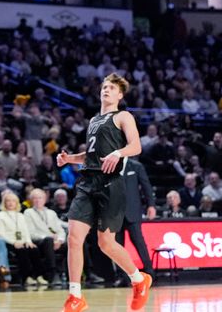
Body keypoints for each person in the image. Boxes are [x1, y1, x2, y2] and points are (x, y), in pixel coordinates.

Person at [57, 73, 151, 312]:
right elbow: (89, 155)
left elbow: (136, 146)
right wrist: (70, 159)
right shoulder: (93, 120)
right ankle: (75, 296)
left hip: (111, 184)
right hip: (88, 182)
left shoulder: (123, 116)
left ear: (120, 94)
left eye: (111, 88)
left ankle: (139, 280)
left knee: (106, 243)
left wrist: (118, 153)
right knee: (74, 238)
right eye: (104, 87)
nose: (106, 90)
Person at [115, 158, 156, 287]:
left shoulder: (136, 166)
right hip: (115, 212)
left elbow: (146, 186)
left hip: (133, 210)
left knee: (139, 242)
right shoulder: (110, 164)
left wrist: (151, 205)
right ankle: (122, 276)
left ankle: (150, 273)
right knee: (117, 246)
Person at [24, 188, 65, 287]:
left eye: (40, 198)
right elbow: (30, 233)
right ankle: (53, 273)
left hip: (55, 242)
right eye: (35, 198)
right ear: (31, 200)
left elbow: (60, 230)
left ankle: (88, 272)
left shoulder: (51, 213)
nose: (38, 200)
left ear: (45, 199)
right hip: (40, 242)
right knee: (48, 240)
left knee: (74, 244)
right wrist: (49, 237)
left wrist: (59, 240)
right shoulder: (28, 212)